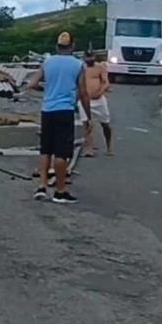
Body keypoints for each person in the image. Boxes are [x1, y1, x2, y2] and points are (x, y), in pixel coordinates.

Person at [27, 31, 90, 204]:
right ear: (73, 46)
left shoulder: (47, 62)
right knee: (62, 152)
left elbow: (32, 84)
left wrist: (47, 89)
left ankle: (41, 187)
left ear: (57, 46)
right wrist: (88, 116)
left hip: (47, 110)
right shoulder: (78, 65)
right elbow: (84, 93)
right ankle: (60, 191)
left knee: (45, 149)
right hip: (65, 110)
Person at [82, 51, 113, 156]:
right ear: (84, 58)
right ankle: (89, 148)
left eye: (91, 57)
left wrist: (100, 91)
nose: (89, 59)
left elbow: (106, 82)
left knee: (105, 124)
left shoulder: (100, 67)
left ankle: (109, 146)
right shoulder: (81, 68)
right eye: (87, 57)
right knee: (87, 124)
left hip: (99, 100)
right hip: (85, 100)